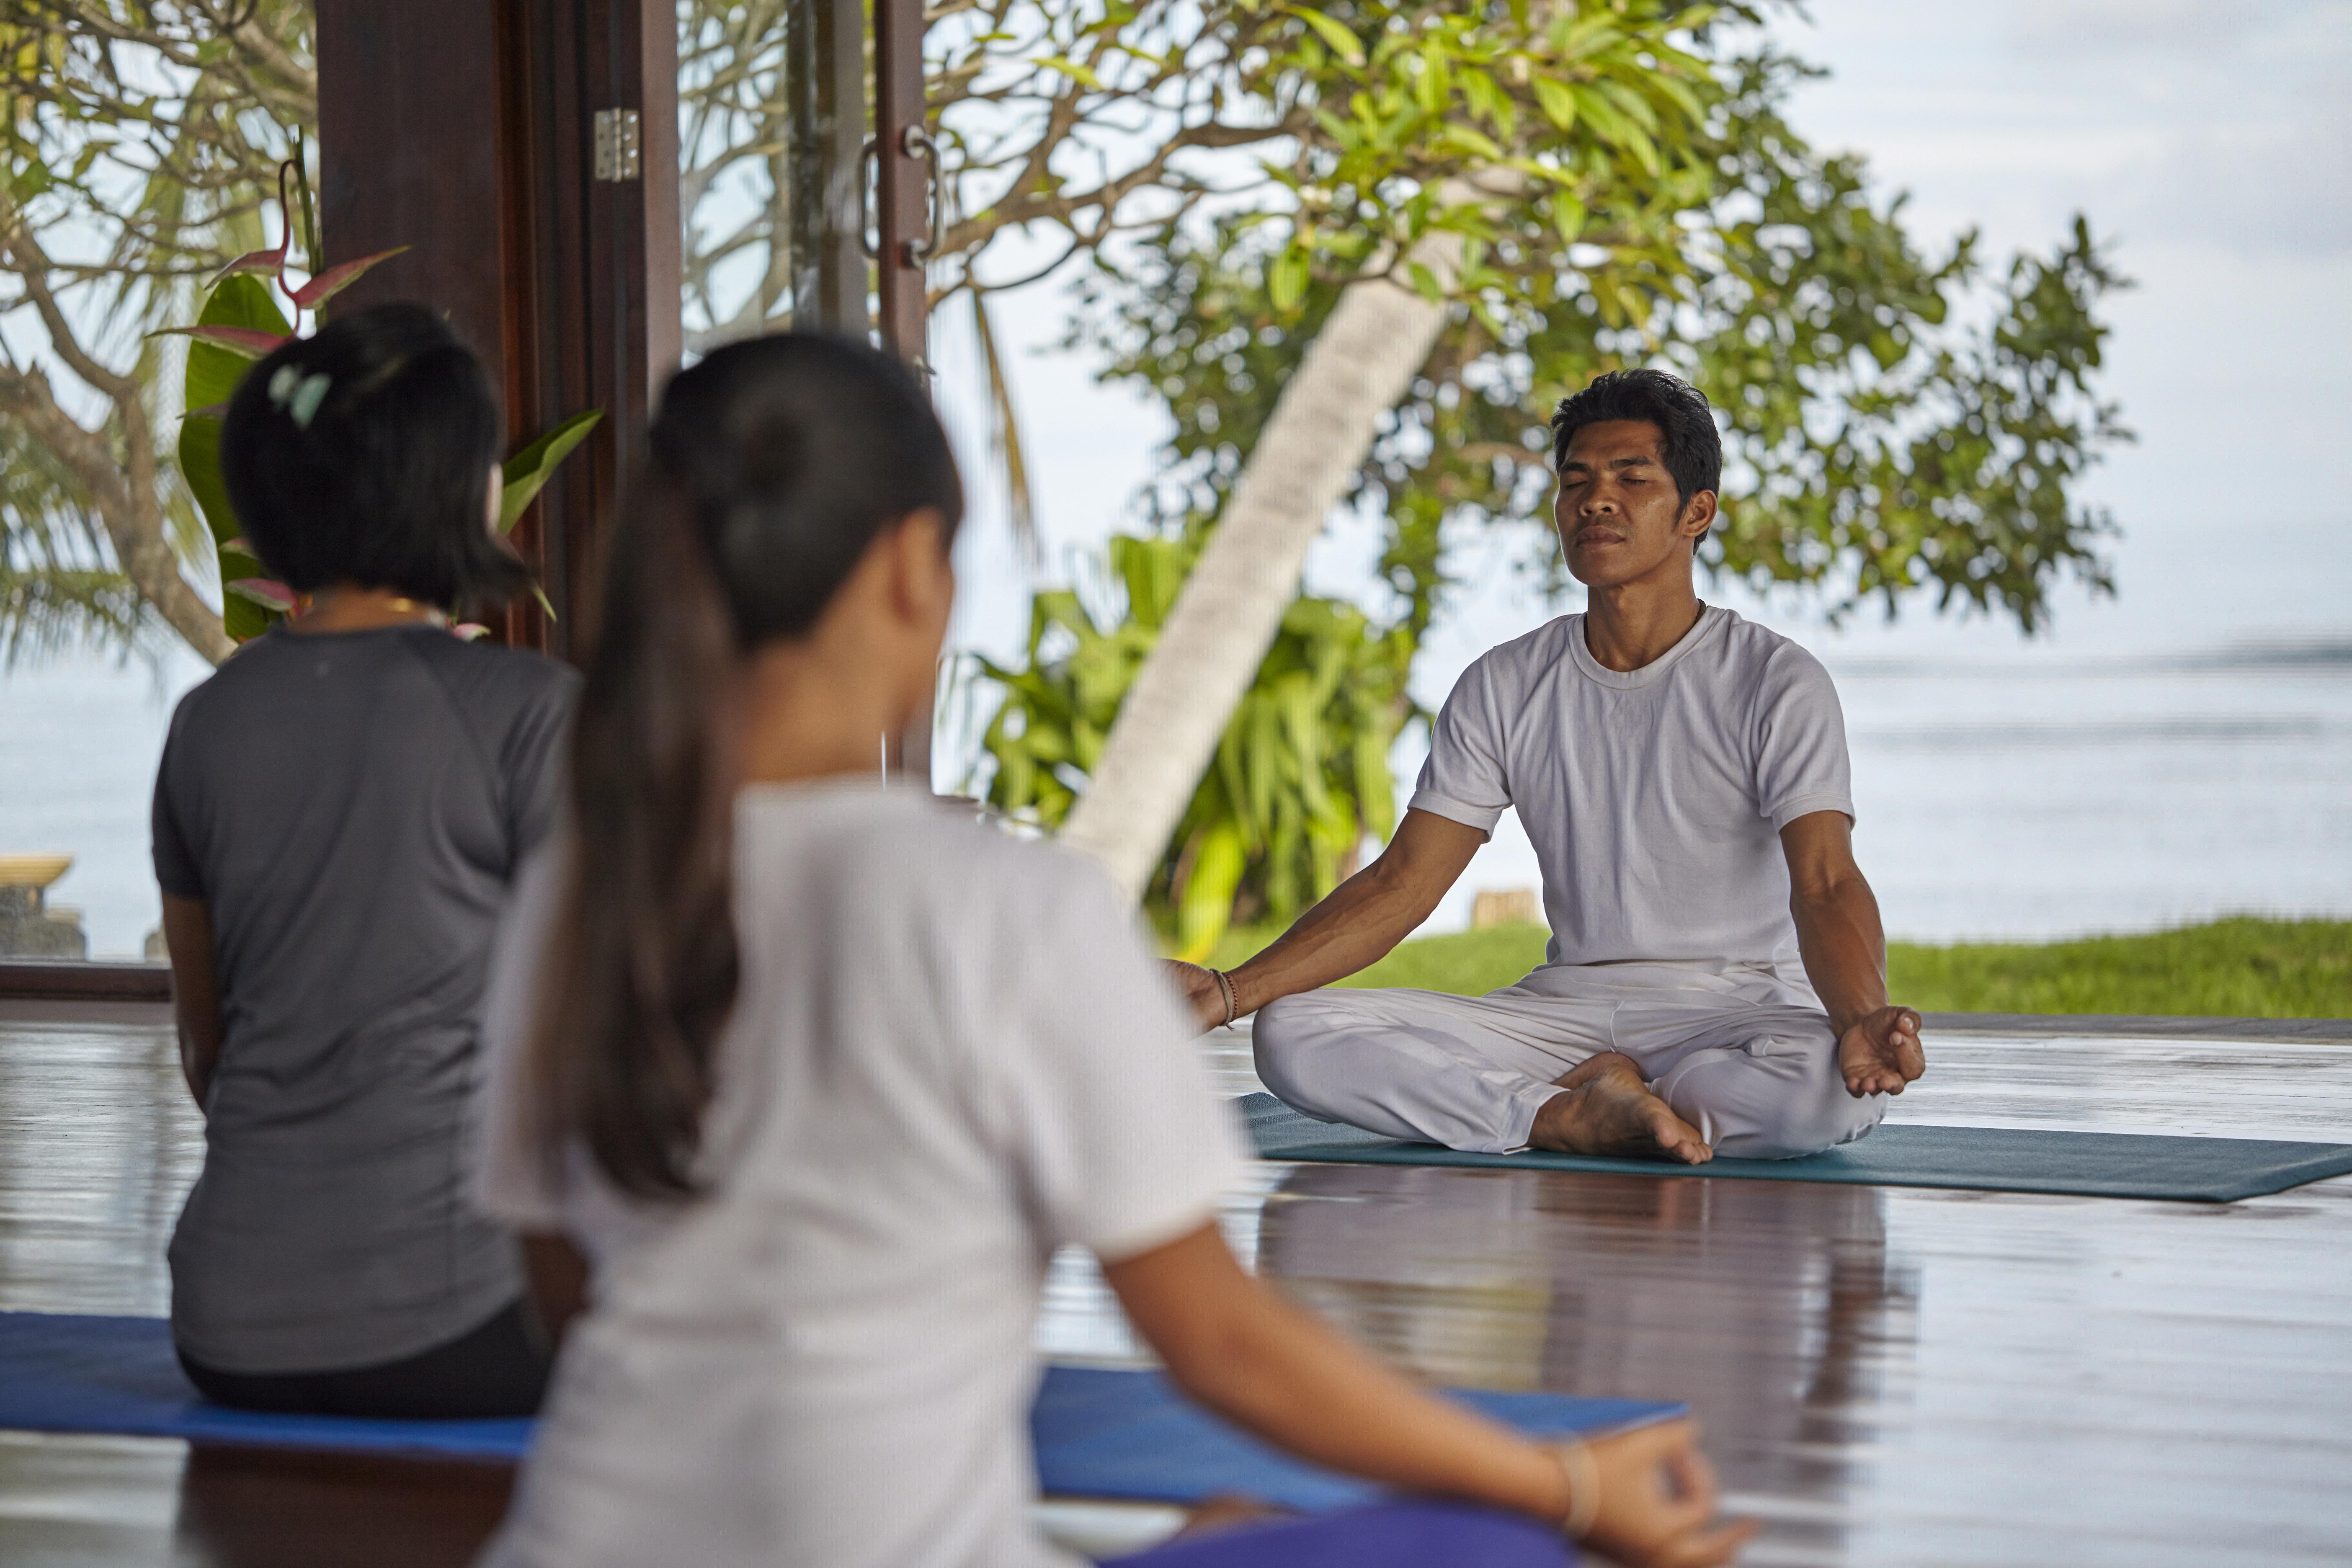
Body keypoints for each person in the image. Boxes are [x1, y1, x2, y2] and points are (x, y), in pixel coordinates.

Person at [469, 334, 1752, 1568]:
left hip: (568, 1540)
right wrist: (1570, 1484)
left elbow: (568, 1293)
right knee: (1495, 1544)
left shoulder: (585, 891)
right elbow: (1223, 1348)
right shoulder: (1002, 905)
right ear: (915, 570)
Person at [1171, 369, 1925, 1165]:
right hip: (1562, 1013)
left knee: (1819, 1096)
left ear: (1696, 512)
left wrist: (1859, 1021)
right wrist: (1229, 994)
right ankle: (1566, 1115)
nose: (1596, 501)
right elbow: (1405, 884)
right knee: (1293, 1033)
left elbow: (1827, 882)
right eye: (1577, 482)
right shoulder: (1505, 682)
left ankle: (1620, 1096)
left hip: (1735, 1009)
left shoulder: (1775, 678)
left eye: (1632, 480)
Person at [152, 304, 577, 1418]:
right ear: (462, 488)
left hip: (227, 1326)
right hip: (475, 1328)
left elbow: (212, 1058)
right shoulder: (531, 713)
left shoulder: (207, 722)